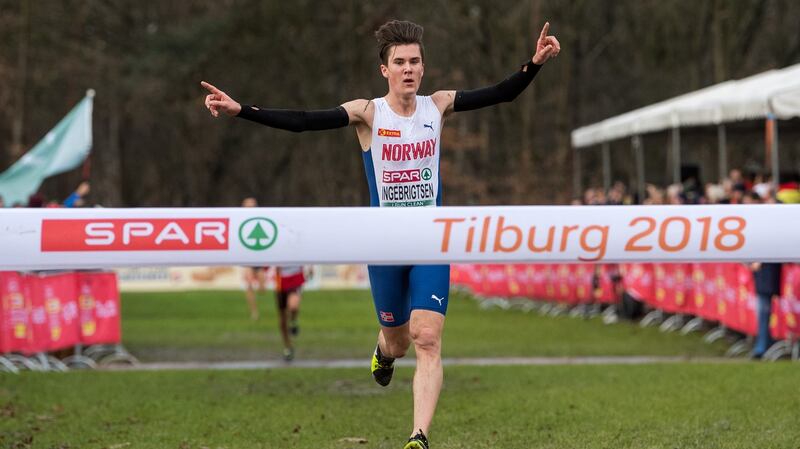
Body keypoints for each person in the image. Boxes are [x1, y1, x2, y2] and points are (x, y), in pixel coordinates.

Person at [202, 19, 559, 449]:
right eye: (400, 62)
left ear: (423, 68)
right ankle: (384, 351)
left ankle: (418, 437)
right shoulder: (368, 113)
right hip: (384, 242)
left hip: (430, 239)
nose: (409, 69)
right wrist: (243, 111)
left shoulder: (439, 105)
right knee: (400, 341)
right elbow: (302, 122)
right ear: (384, 70)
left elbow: (502, 92)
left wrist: (534, 63)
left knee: (427, 337)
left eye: (415, 62)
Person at [270, 265, 309, 361]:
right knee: (282, 318)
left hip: (295, 277)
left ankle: (293, 321)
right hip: (280, 279)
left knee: (293, 306)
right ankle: (288, 347)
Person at [241, 197, 266, 320]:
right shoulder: (240, 221)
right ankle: (254, 312)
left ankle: (264, 308)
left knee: (262, 288)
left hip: (259, 256)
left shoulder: (261, 220)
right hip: (247, 257)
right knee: (249, 285)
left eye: (252, 206)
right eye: (247, 206)